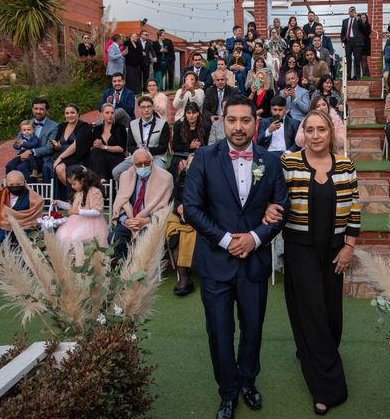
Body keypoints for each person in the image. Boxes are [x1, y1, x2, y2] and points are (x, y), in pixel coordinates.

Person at [182, 96, 289, 419]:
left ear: (255, 123)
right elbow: (192, 208)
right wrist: (228, 240)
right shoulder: (203, 157)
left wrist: (255, 238)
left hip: (254, 263)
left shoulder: (270, 162)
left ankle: (248, 381)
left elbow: (281, 209)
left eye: (245, 120)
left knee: (253, 329)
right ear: (222, 121)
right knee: (220, 332)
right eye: (232, 120)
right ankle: (227, 392)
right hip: (216, 263)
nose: (239, 127)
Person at [277, 110, 359, 415]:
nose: (315, 135)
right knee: (312, 313)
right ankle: (328, 387)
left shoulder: (346, 165)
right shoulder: (289, 163)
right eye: (309, 130)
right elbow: (274, 198)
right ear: (303, 134)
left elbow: (354, 208)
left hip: (335, 250)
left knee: (332, 316)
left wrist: (349, 247)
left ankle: (313, 352)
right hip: (300, 250)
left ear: (331, 132)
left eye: (321, 129)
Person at [109, 148, 173, 261]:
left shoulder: (165, 177)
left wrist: (148, 220)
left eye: (147, 163)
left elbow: (167, 207)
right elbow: (119, 202)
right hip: (130, 220)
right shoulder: (125, 176)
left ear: (152, 161)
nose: (143, 167)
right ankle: (124, 269)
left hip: (152, 221)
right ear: (133, 165)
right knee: (114, 239)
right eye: (139, 164)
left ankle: (139, 270)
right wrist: (126, 220)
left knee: (141, 240)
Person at [112, 96, 170, 181]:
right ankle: (130, 190)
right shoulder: (132, 124)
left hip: (156, 157)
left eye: (149, 107)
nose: (146, 110)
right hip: (137, 156)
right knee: (116, 171)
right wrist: (140, 152)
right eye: (143, 107)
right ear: (139, 109)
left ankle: (153, 193)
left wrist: (147, 151)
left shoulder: (163, 124)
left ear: (153, 108)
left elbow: (163, 147)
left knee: (158, 173)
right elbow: (130, 146)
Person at [5, 98, 58, 183]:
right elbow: (17, 142)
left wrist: (31, 152)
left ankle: (33, 194)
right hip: (23, 156)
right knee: (9, 166)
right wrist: (21, 153)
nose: (38, 111)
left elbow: (49, 148)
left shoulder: (54, 126)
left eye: (41, 109)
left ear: (47, 110)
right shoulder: (26, 123)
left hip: (41, 158)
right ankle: (12, 192)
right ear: (32, 109)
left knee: (21, 168)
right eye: (36, 109)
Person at [165, 154, 197, 296]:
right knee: (175, 233)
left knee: (188, 233)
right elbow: (175, 199)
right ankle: (183, 277)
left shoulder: (211, 180)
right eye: (190, 164)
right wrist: (179, 207)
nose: (192, 167)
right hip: (181, 216)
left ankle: (186, 274)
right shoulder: (182, 178)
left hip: (200, 218)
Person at [53, 168, 108, 248]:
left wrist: (79, 212)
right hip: (76, 221)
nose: (72, 187)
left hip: (92, 223)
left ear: (82, 181)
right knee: (63, 235)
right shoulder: (78, 193)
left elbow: (97, 212)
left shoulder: (94, 191)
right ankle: (73, 256)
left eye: (74, 184)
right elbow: (72, 207)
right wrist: (59, 203)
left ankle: (81, 255)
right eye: (71, 184)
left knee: (77, 237)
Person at [0, 170, 43, 243]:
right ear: (6, 183)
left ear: (24, 182)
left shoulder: (32, 198)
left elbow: (34, 215)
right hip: (5, 225)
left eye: (18, 184)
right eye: (11, 185)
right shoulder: (1, 196)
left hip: (25, 226)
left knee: (25, 239)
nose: (15, 187)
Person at [47, 104, 92, 197]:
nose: (69, 115)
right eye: (67, 113)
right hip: (63, 154)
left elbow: (75, 146)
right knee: (47, 166)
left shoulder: (84, 126)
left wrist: (60, 158)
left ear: (78, 114)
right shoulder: (62, 126)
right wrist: (57, 146)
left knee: (60, 168)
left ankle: (75, 195)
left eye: (72, 112)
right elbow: (59, 143)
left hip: (77, 156)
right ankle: (57, 197)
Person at [88, 103, 127, 183]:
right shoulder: (97, 129)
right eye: (107, 113)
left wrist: (103, 146)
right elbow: (92, 146)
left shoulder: (120, 128)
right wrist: (94, 145)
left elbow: (121, 149)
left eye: (112, 113)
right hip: (101, 158)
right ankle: (101, 179)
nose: (110, 115)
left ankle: (100, 180)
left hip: (116, 158)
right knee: (95, 151)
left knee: (96, 154)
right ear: (102, 114)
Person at [170, 102, 209, 177]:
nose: (191, 116)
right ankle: (181, 186)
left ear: (198, 113)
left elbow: (208, 145)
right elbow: (174, 147)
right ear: (185, 114)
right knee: (182, 165)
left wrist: (199, 147)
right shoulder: (178, 125)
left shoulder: (205, 125)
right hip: (182, 154)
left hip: (200, 155)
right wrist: (190, 146)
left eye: (194, 113)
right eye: (188, 113)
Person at [340, 6, 364, 80]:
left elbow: (362, 27)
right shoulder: (345, 21)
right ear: (348, 12)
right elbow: (342, 32)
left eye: (353, 11)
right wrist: (343, 40)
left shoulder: (358, 20)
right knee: (348, 59)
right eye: (351, 11)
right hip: (348, 41)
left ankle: (357, 76)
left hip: (357, 42)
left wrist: (357, 17)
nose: (352, 12)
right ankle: (348, 75)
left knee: (357, 59)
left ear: (355, 12)